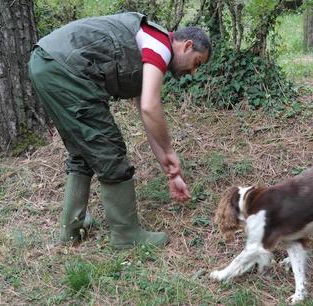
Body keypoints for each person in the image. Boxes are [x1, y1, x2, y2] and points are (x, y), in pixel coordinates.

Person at [28, 12, 211, 249]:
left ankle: (73, 228)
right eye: (197, 62)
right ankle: (126, 235)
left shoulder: (149, 50)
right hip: (64, 68)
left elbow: (146, 115)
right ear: (187, 46)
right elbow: (150, 107)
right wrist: (169, 150)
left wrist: (169, 167)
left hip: (47, 63)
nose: (194, 72)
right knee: (109, 149)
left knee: (84, 149)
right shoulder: (159, 43)